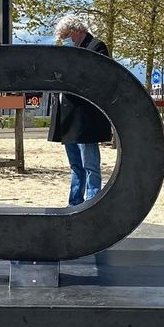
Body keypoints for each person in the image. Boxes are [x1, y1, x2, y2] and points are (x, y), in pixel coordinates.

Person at [48, 14, 113, 206]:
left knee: (90, 165)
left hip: (85, 118)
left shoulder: (96, 47)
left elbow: (97, 77)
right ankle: (74, 202)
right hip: (68, 118)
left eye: (66, 36)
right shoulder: (69, 51)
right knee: (75, 165)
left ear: (76, 31)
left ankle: (92, 201)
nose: (65, 41)